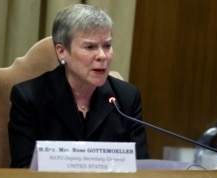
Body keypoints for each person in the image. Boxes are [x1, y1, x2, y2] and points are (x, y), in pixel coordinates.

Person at [8, 4, 149, 168]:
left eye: (107, 45)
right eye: (90, 47)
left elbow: (141, 167)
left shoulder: (127, 98)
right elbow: (23, 169)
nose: (102, 56)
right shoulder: (29, 97)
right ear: (61, 52)